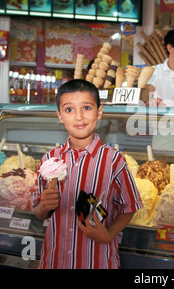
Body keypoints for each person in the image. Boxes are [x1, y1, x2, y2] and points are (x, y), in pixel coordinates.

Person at [33, 79, 142, 269]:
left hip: (97, 261)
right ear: (59, 116)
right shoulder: (49, 159)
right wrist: (44, 205)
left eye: (87, 108)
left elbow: (130, 206)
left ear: (99, 112)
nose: (79, 117)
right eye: (69, 110)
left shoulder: (113, 160)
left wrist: (109, 234)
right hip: (55, 261)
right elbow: (39, 212)